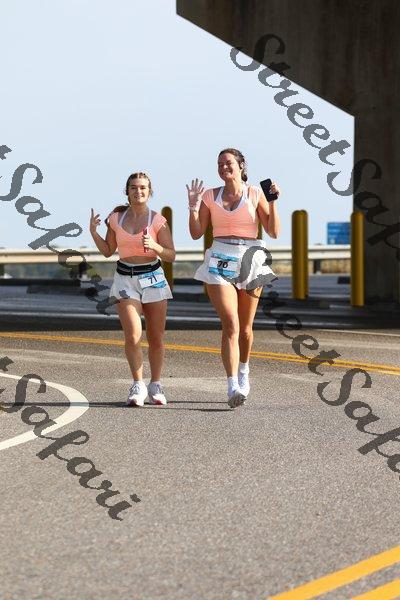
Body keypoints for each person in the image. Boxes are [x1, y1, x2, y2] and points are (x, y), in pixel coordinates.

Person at [187, 148, 281, 408]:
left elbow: (273, 231)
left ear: (241, 166)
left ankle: (243, 370)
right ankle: (232, 386)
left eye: (228, 163)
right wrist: (193, 207)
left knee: (246, 330)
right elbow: (196, 233)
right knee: (230, 324)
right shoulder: (210, 196)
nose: (223, 167)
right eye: (219, 164)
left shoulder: (255, 193)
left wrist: (273, 202)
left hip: (250, 257)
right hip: (220, 258)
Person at [90, 171, 175, 406]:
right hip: (125, 279)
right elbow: (108, 251)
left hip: (153, 277)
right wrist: (94, 232)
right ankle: (138, 384)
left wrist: (155, 246)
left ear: (150, 192)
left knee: (156, 337)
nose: (138, 191)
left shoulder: (157, 220)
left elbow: (171, 255)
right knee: (133, 335)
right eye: (134, 188)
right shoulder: (116, 218)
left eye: (143, 188)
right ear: (127, 192)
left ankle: (156, 384)